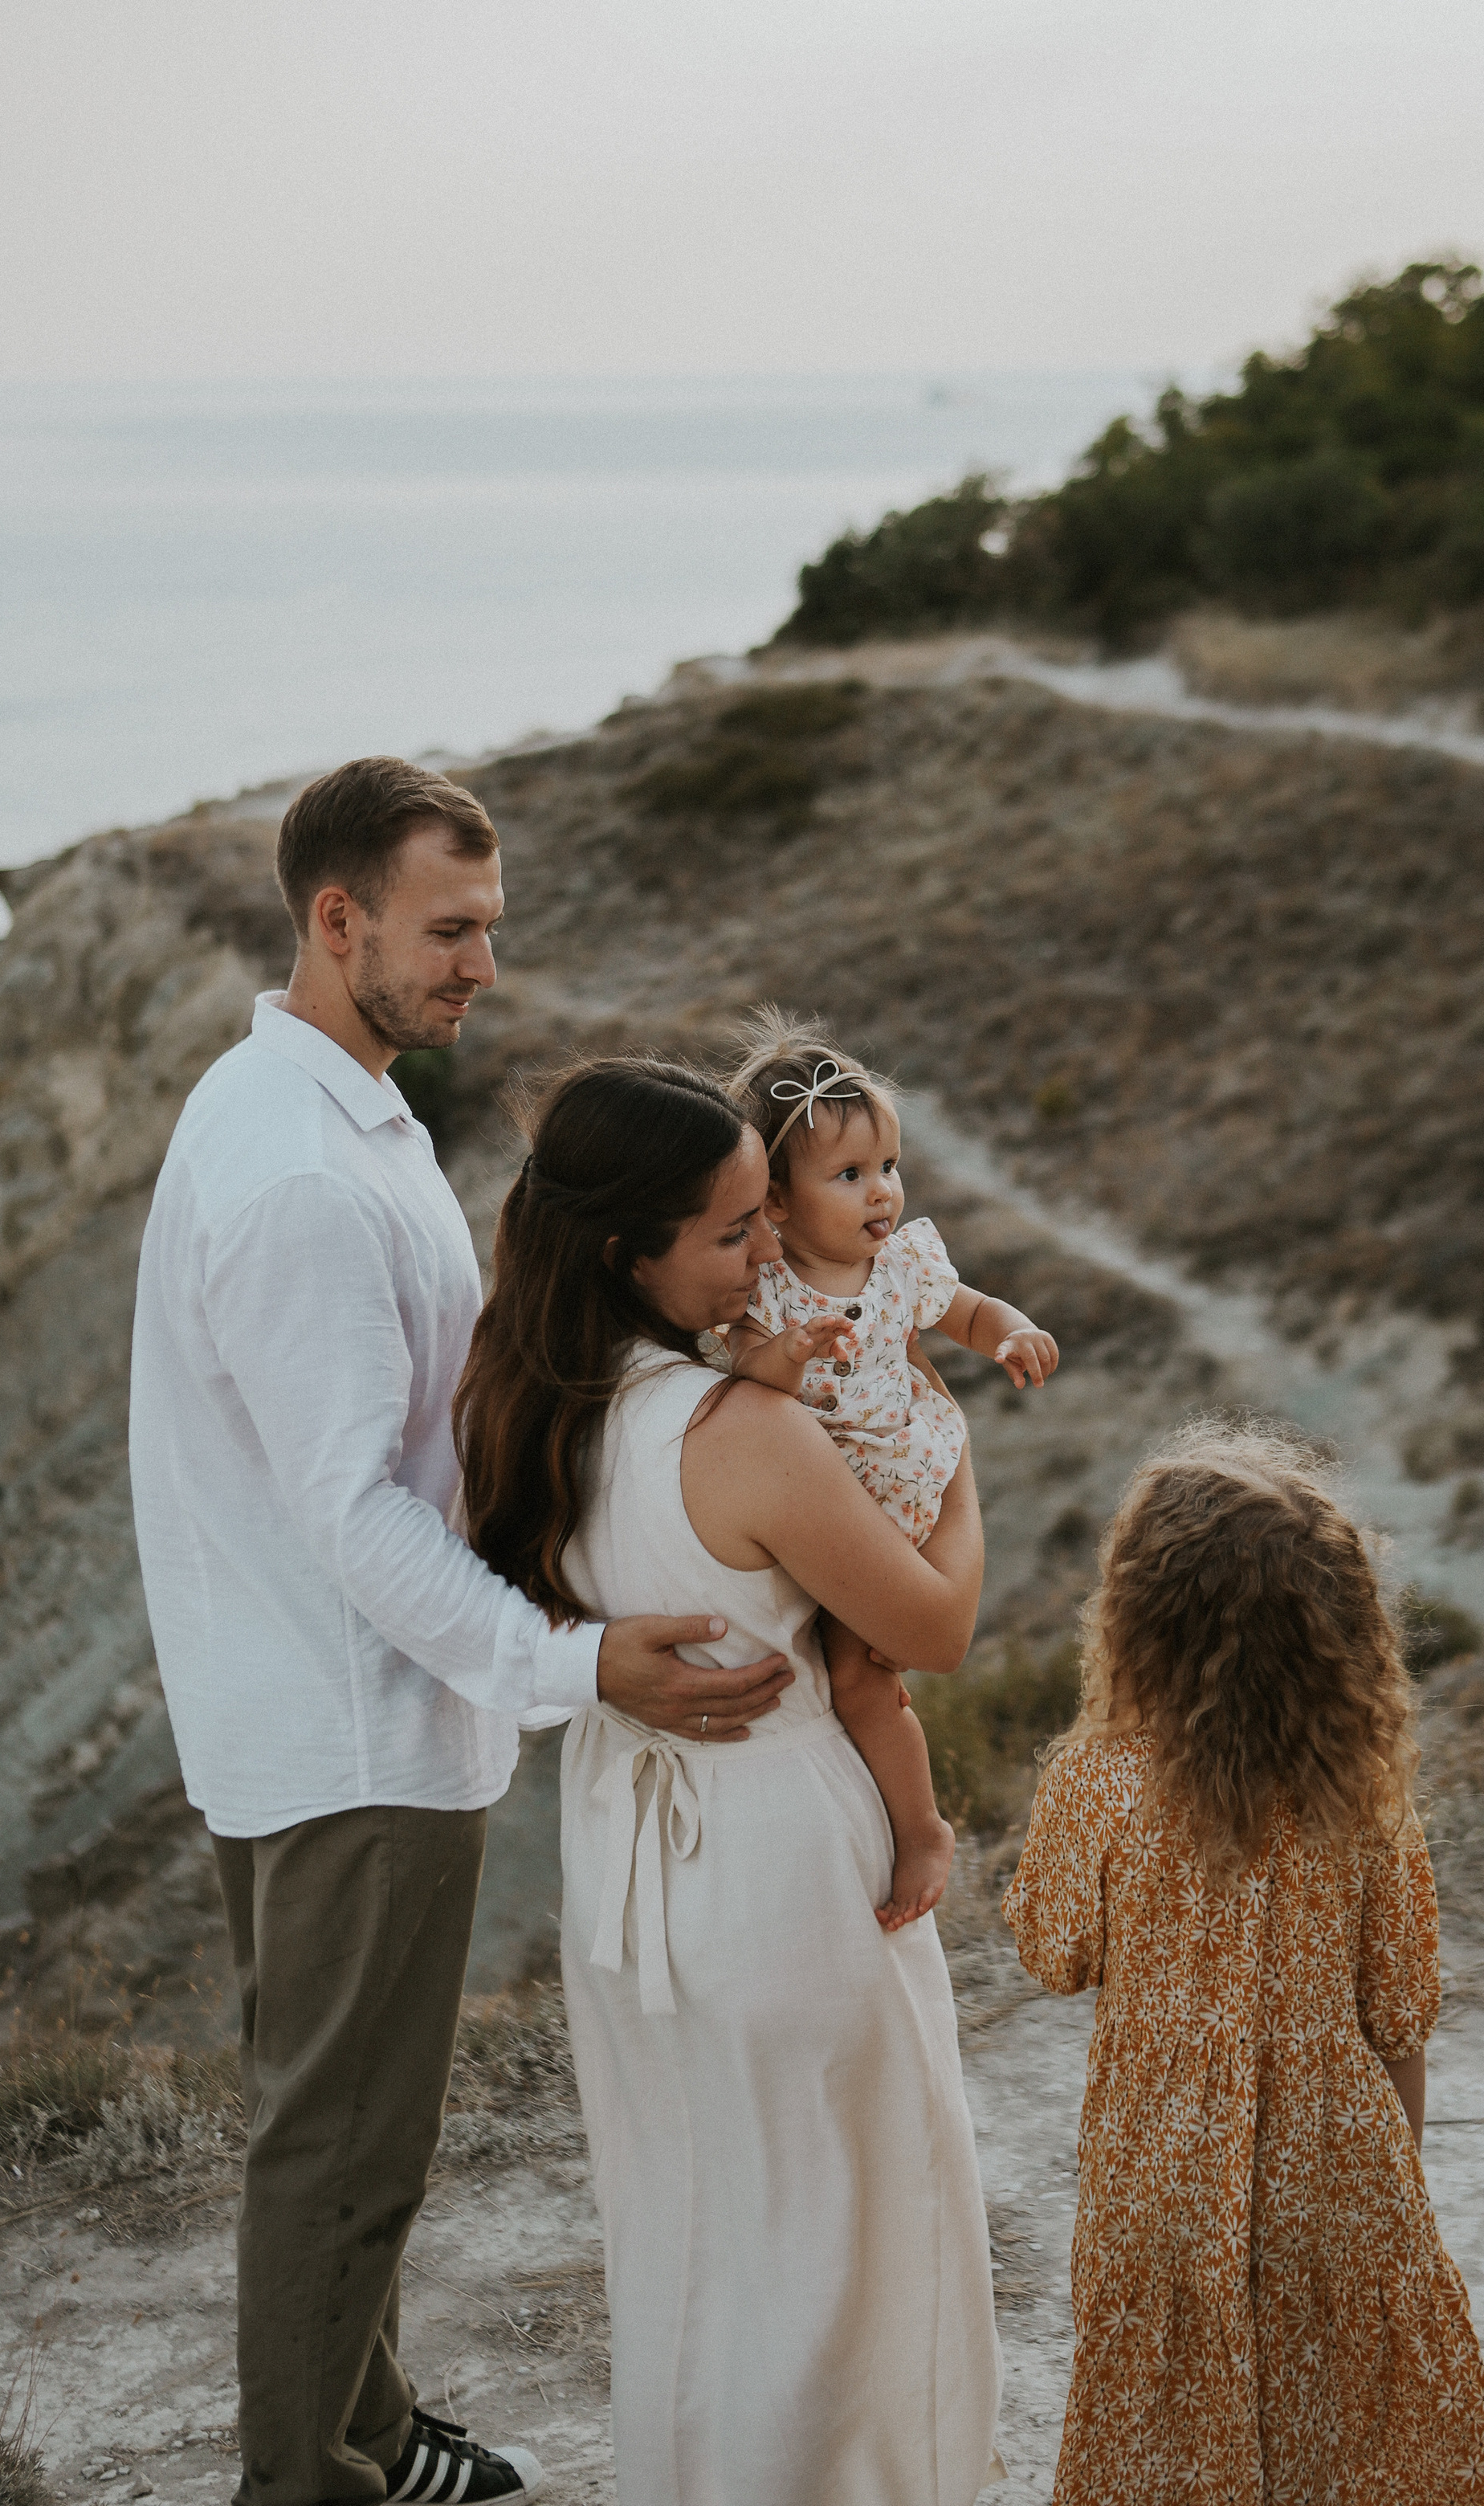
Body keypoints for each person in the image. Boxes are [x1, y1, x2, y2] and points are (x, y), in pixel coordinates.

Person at [128, 760, 794, 2506]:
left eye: (488, 927)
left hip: (313, 1699)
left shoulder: (308, 1101)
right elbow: (357, 1508)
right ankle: (308, 2482)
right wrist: (575, 1665)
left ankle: (362, 2424)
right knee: (342, 2153)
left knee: (334, 2121)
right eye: (448, 930)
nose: (481, 965)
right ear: (333, 919)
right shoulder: (300, 1181)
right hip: (350, 1723)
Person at [455, 1058, 1006, 2506]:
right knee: (848, 2259)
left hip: (627, 1878)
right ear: (628, 1251)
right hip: (784, 1868)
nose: (773, 1252)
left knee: (692, 2241)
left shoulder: (532, 1406)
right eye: (733, 1231)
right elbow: (932, 1629)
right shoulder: (744, 1436)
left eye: (772, 1213)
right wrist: (942, 1446)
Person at [1003, 1418, 1484, 2506]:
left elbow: (1053, 1951)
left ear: (1139, 1617)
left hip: (1159, 2174)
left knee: (1170, 2435)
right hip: (1336, 2169)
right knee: (1341, 2438)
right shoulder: (1361, 1793)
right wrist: (1392, 2188)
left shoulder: (1098, 1783)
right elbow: (1400, 2012)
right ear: (1341, 1628)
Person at [719, 1014, 1059, 1927]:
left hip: (907, 1478)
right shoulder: (769, 1292)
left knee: (861, 1674)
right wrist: (791, 1353)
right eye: (848, 1176)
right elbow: (750, 1375)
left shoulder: (902, 1263)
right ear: (778, 1203)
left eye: (888, 1168)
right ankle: (897, 1815)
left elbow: (969, 1311)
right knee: (858, 1679)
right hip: (837, 1510)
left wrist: (1010, 1335)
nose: (881, 1194)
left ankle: (920, 1831)